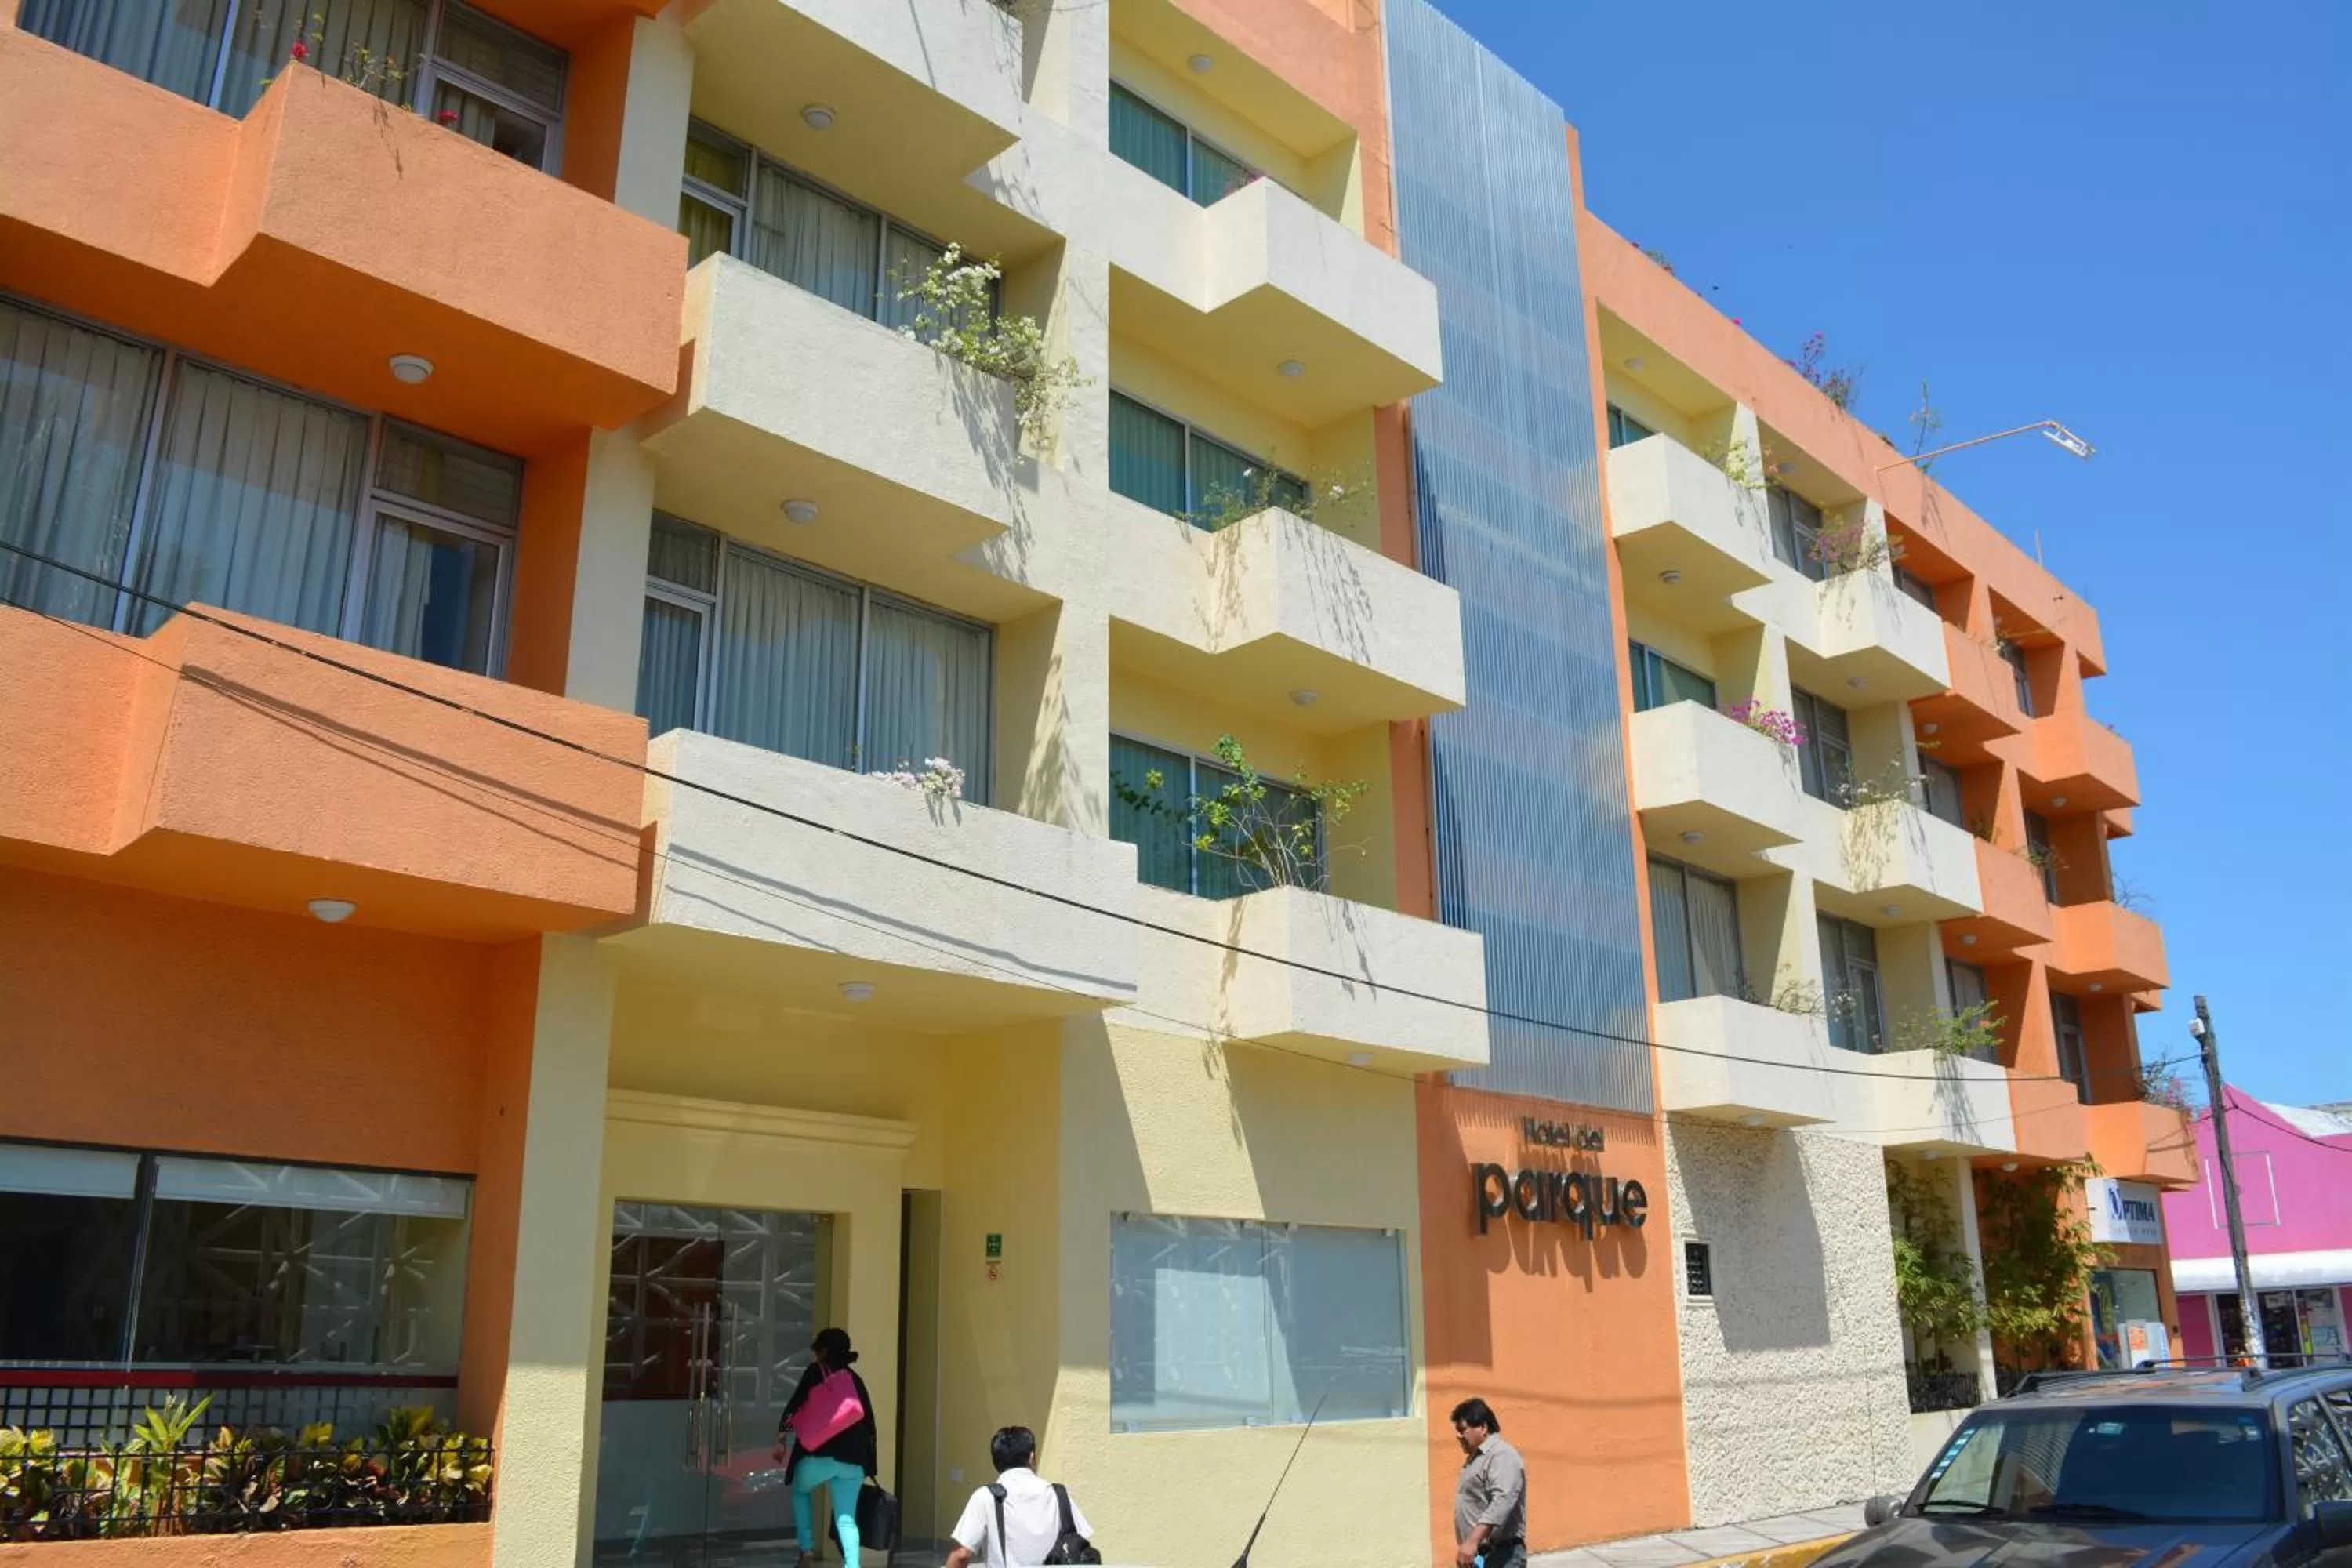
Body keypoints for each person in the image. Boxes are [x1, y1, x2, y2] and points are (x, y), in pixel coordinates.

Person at [773, 1327, 879, 1568]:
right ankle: (852, 1565)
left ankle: (807, 1551)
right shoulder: (855, 1380)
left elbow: (794, 1407)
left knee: (801, 1491)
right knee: (846, 1519)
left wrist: (781, 1438)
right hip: (854, 1462)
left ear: (823, 1351)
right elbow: (870, 1425)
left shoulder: (815, 1372)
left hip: (818, 1456)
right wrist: (870, 1464)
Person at [944, 1425, 1095, 1566]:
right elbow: (1079, 1543)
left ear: (995, 1462)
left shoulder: (986, 1497)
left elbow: (962, 1554)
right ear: (1032, 1457)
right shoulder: (1059, 1494)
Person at [1451, 1396, 1526, 1568]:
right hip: (1482, 1555)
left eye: (1463, 1430)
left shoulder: (1502, 1455)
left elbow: (1502, 1500)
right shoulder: (1479, 1458)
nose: (1458, 1436)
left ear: (1483, 1427)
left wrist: (1473, 1540)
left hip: (1502, 1556)